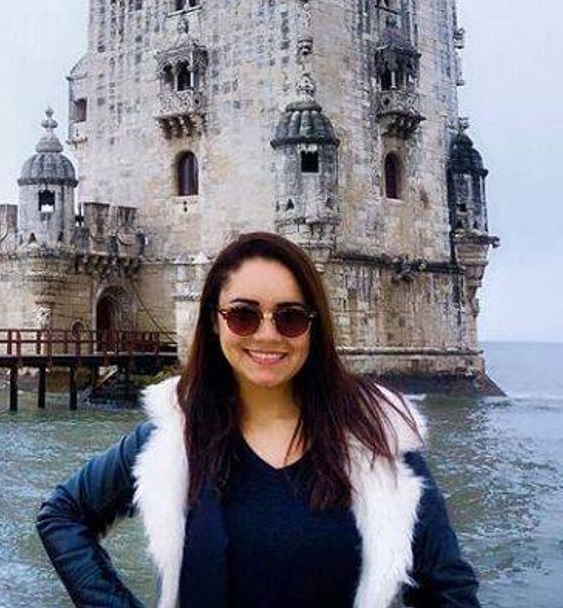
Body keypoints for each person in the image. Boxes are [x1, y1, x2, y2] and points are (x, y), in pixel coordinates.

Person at [36, 231, 479, 608]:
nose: (267, 334)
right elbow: (62, 514)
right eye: (243, 315)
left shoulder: (377, 435)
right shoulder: (175, 438)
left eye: (289, 318)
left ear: (314, 325)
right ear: (215, 322)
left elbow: (448, 588)